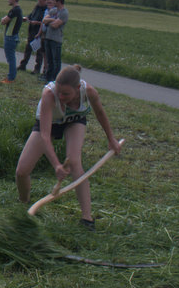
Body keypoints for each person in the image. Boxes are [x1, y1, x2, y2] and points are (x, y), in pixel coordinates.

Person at [15, 65, 121, 229]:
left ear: (78, 88)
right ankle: (24, 203)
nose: (61, 96)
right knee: (22, 171)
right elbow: (45, 136)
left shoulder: (89, 92)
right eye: (59, 92)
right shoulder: (49, 95)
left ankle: (87, 218)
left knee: (74, 162)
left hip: (74, 121)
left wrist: (111, 139)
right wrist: (56, 165)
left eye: (65, 94)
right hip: (49, 124)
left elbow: (100, 113)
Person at [42, 0, 68, 83]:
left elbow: (55, 25)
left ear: (59, 2)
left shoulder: (64, 13)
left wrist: (50, 21)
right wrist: (53, 19)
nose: (53, 3)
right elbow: (44, 20)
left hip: (56, 39)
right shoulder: (53, 10)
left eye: (54, 1)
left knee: (56, 60)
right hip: (48, 37)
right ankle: (48, 77)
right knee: (49, 60)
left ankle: (54, 78)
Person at [0, 0, 23, 84]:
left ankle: (11, 78)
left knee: (11, 58)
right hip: (14, 36)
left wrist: (3, 19)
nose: (8, 0)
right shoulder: (19, 10)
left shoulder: (14, 10)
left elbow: (4, 21)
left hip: (10, 36)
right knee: (11, 57)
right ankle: (11, 76)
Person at [19, 0, 45, 74]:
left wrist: (36, 22)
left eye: (40, 1)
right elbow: (31, 15)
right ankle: (23, 65)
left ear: (45, 1)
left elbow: (44, 22)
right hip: (32, 30)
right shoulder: (36, 7)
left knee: (39, 51)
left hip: (39, 32)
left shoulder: (46, 10)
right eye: (38, 0)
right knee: (28, 48)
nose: (38, 2)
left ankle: (37, 69)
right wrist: (27, 18)